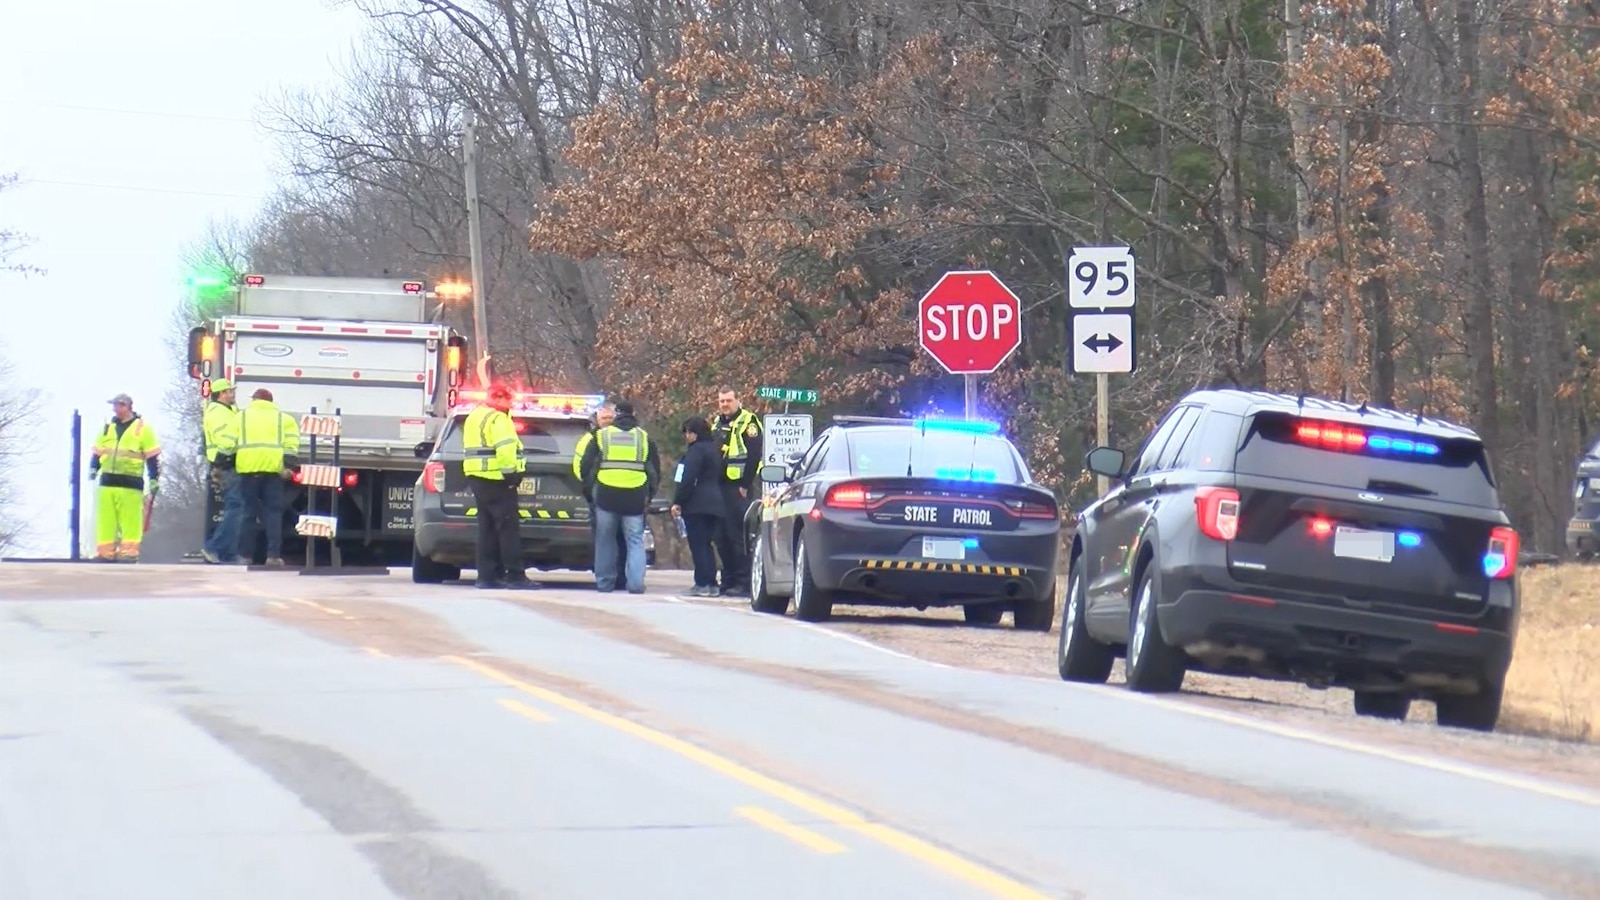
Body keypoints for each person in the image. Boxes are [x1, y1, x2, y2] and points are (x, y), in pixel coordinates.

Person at [463, 384, 540, 590]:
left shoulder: (474, 416)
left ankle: (487, 576)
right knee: (508, 528)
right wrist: (512, 475)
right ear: (499, 399)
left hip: (477, 477)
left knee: (486, 528)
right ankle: (515, 576)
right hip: (497, 478)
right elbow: (505, 450)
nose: (511, 404)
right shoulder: (498, 418)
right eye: (509, 400)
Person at [580, 400, 660, 594]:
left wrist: (591, 492)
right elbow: (654, 471)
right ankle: (635, 584)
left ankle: (604, 583)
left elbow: (586, 466)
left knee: (605, 540)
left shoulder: (602, 435)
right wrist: (649, 495)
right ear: (634, 414)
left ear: (616, 414)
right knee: (635, 541)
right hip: (634, 496)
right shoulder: (644, 438)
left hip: (607, 496)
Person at [89, 393, 161, 562]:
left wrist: (153, 478)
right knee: (106, 520)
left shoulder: (143, 429)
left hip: (130, 482)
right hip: (107, 481)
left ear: (127, 406)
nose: (115, 409)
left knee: (130, 520)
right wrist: (94, 467)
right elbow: (98, 451)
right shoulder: (108, 427)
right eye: (114, 405)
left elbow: (152, 457)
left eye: (118, 405)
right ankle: (105, 553)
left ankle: (129, 553)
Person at [234, 388, 301, 567]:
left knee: (248, 513)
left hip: (248, 470)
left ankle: (244, 555)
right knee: (273, 514)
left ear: (255, 400)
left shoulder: (240, 417)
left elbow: (230, 443)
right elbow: (291, 446)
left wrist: (224, 464)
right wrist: (288, 467)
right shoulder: (284, 419)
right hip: (274, 472)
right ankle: (272, 556)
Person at [710, 386, 762, 596]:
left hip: (737, 487)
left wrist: (745, 484)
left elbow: (754, 455)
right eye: (721, 401)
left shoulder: (748, 422)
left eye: (728, 400)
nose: (725, 405)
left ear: (738, 400)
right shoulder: (717, 423)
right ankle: (728, 579)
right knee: (720, 536)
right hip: (718, 486)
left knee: (737, 536)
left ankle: (743, 582)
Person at [671, 416, 729, 596]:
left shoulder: (695, 451)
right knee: (707, 544)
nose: (686, 437)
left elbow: (687, 479)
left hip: (697, 503)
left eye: (688, 433)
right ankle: (712, 583)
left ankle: (702, 583)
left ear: (694, 433)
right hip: (716, 502)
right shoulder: (715, 449)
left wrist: (678, 501)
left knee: (698, 544)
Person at [572, 399, 626, 568]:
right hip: (599, 496)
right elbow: (580, 467)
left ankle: (619, 575)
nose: (607, 421)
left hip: (625, 493)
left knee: (621, 538)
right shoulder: (589, 440)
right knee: (603, 538)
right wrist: (591, 489)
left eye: (610, 418)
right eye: (604, 418)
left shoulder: (625, 438)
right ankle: (606, 574)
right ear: (597, 420)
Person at [199, 379, 244, 565]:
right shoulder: (218, 413)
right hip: (226, 464)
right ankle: (214, 548)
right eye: (229, 391)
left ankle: (228, 553)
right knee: (235, 507)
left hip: (227, 464)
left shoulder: (226, 411)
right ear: (220, 394)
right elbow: (226, 439)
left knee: (235, 508)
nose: (232, 394)